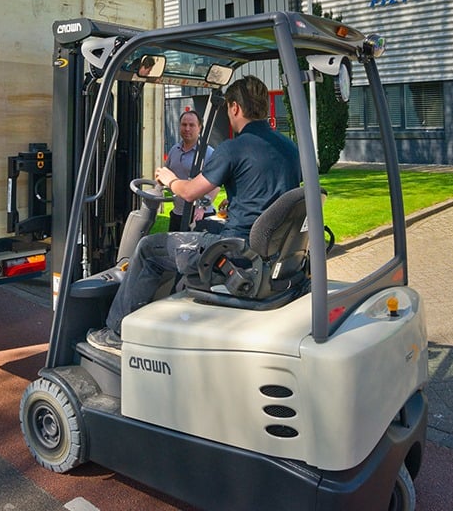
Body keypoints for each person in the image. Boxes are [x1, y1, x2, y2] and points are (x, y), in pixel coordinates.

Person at [86, 75, 301, 354]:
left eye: (228, 109)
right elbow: (274, 194)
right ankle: (168, 309)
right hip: (272, 249)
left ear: (235, 108)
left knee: (149, 248)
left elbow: (188, 192)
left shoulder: (233, 147)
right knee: (197, 232)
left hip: (238, 253)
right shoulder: (289, 147)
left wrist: (169, 179)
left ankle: (116, 332)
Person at [165, 110, 218, 231]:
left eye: (192, 125)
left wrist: (202, 208)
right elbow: (166, 174)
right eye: (184, 125)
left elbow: (216, 186)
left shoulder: (208, 153)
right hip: (178, 213)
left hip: (199, 216)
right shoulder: (174, 150)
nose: (187, 129)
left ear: (200, 127)